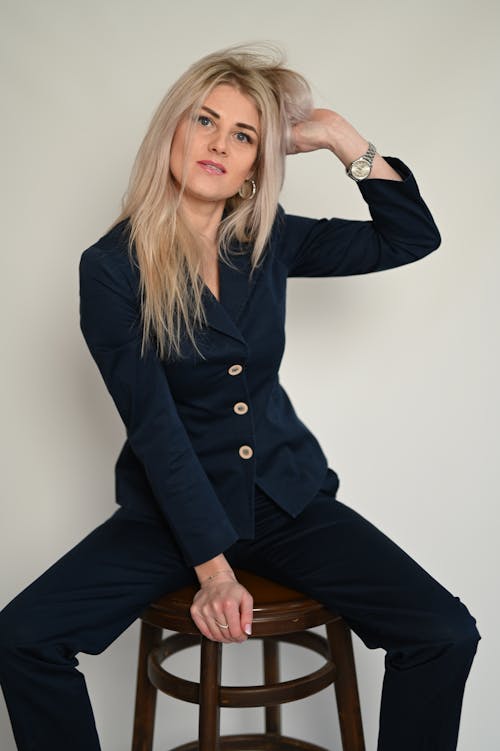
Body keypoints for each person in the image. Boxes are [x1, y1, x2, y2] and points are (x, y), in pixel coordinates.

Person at [0, 42, 480, 751]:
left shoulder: (267, 240)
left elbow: (411, 235)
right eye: (205, 121)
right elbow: (156, 428)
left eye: (245, 135)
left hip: (286, 496)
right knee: (23, 637)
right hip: (173, 513)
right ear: (173, 130)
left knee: (443, 632)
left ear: (260, 163)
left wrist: (336, 133)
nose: (219, 144)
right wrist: (214, 571)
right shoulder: (110, 268)